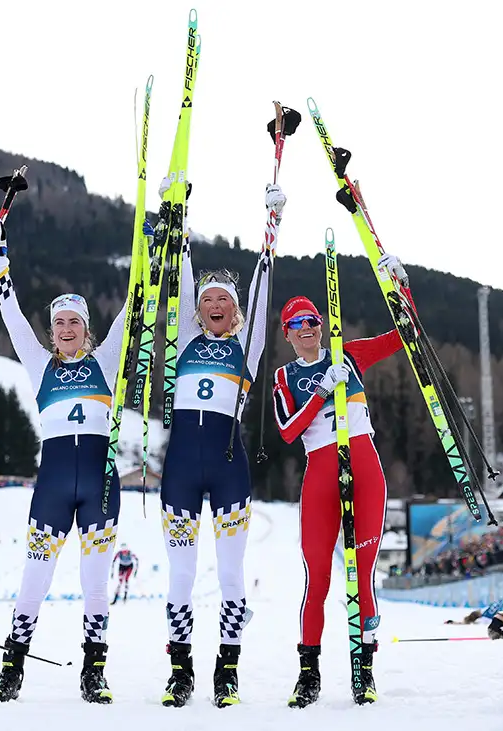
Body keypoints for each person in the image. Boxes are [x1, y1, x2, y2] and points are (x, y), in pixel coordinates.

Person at [0, 218, 130, 704]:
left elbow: (134, 310)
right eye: (60, 323)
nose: (67, 330)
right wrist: (0, 259)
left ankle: (94, 671)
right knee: (34, 581)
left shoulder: (105, 362)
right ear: (52, 331)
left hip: (100, 488)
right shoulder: (39, 364)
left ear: (86, 329)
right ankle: (11, 668)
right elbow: (11, 315)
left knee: (95, 584)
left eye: (75, 323)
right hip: (52, 487)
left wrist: (150, 260)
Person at [156, 179, 283, 709]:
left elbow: (262, 292)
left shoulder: (246, 349)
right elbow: (182, 279)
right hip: (181, 470)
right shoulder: (186, 341)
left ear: (234, 312)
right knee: (181, 575)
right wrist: (178, 217)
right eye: (206, 300)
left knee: (231, 574)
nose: (212, 304)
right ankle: (180, 671)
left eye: (222, 301)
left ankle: (226, 671)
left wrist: (272, 226)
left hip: (230, 470)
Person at [268, 274, 408, 708]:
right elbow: (288, 431)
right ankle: (308, 674)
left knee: (362, 575)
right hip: (321, 477)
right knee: (318, 579)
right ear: (287, 334)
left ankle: (363, 670)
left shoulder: (349, 354)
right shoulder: (284, 376)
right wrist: (321, 391)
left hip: (364, 469)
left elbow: (405, 335)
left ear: (321, 324)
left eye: (311, 320)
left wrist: (400, 286)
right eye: (296, 324)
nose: (306, 329)